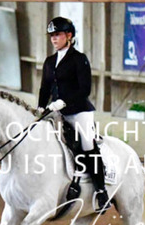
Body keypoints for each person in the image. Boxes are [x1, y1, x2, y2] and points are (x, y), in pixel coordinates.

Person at [38, 16, 110, 214]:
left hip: (79, 111)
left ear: (69, 36)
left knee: (87, 143)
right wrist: (40, 107)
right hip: (56, 112)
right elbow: (45, 88)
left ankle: (101, 191)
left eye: (57, 34)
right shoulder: (49, 61)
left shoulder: (79, 59)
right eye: (51, 35)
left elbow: (85, 89)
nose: (53, 39)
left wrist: (64, 101)